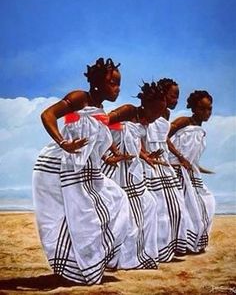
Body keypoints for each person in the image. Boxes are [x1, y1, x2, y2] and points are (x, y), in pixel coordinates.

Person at [32, 58, 131, 285]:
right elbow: (47, 115)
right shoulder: (80, 98)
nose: (117, 88)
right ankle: (75, 270)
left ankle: (83, 266)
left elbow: (93, 145)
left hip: (83, 171)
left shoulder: (101, 112)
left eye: (118, 83)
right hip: (57, 167)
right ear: (97, 83)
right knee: (72, 219)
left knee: (116, 199)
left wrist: (109, 157)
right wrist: (62, 142)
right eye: (113, 83)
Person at [102, 81, 167, 269]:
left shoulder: (145, 122)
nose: (157, 116)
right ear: (146, 105)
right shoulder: (129, 111)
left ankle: (139, 255)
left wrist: (146, 156)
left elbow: (135, 143)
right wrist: (110, 153)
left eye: (160, 112)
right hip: (113, 168)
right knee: (126, 212)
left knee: (149, 204)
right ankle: (118, 258)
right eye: (155, 111)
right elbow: (102, 125)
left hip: (130, 168)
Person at [144, 78, 187, 262]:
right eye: (173, 95)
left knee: (175, 205)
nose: (176, 100)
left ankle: (170, 245)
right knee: (158, 208)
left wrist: (179, 156)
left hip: (163, 162)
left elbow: (164, 139)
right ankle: (157, 249)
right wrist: (146, 154)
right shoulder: (150, 111)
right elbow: (141, 135)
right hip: (150, 161)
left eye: (177, 96)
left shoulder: (167, 115)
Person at [168, 90, 215, 253]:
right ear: (194, 108)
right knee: (183, 207)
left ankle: (192, 241)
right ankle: (182, 244)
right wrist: (180, 158)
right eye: (202, 108)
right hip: (176, 169)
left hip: (191, 171)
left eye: (209, 109)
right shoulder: (184, 121)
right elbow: (163, 137)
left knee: (207, 202)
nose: (207, 112)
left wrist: (197, 167)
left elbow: (193, 156)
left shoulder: (201, 131)